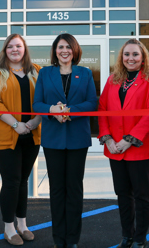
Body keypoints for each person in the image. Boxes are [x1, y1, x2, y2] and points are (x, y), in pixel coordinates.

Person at [33, 33, 97, 248]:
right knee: (57, 190)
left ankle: (73, 239)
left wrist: (69, 110)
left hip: (78, 139)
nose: (64, 51)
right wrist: (52, 110)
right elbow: (37, 104)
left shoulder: (85, 73)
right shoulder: (45, 73)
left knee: (74, 190)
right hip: (53, 140)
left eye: (68, 47)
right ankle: (58, 239)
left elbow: (91, 103)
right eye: (61, 47)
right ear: (55, 50)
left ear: (75, 50)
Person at [98, 39, 149, 248]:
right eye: (127, 54)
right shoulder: (113, 79)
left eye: (135, 54)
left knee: (142, 195)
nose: (130, 58)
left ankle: (140, 239)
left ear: (143, 57)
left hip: (140, 147)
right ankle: (127, 236)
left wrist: (129, 140)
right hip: (115, 147)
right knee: (123, 194)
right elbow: (102, 109)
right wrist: (107, 138)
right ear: (121, 57)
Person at [0, 34, 42, 246]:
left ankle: (22, 224)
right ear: (5, 50)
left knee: (23, 181)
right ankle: (8, 227)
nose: (14, 50)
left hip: (32, 132)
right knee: (11, 181)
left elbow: (44, 99)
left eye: (18, 46)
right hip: (6, 134)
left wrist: (34, 122)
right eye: (10, 46)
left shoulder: (36, 70)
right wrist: (16, 124)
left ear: (24, 49)